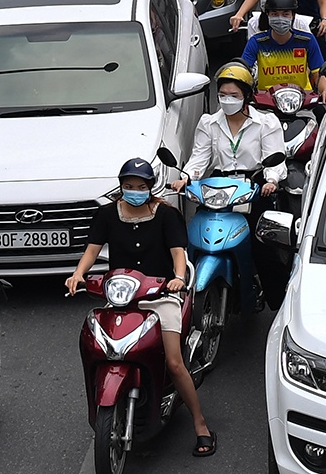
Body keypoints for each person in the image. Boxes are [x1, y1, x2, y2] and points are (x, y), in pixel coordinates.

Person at [61, 159, 215, 454]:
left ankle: (200, 423)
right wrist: (78, 274)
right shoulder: (106, 215)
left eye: (140, 187)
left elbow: (178, 255)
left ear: (150, 188)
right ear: (121, 187)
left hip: (160, 295)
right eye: (128, 187)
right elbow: (91, 250)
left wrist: (178, 279)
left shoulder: (167, 215)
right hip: (122, 294)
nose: (134, 192)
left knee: (173, 361)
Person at [174, 62, 287, 309]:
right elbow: (200, 157)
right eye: (223, 95)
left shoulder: (266, 123)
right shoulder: (209, 123)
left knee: (265, 246)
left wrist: (271, 180)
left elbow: (274, 157)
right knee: (197, 236)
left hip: (253, 188)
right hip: (217, 188)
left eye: (234, 96)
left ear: (246, 95)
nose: (227, 100)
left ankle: (277, 302)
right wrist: (187, 178)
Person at [239, 0, 326, 100]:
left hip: (302, 101)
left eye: (285, 14)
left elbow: (318, 74)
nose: (280, 18)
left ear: (293, 16)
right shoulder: (256, 42)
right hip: (265, 103)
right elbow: (243, 71)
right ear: (267, 14)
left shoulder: (307, 41)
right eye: (274, 14)